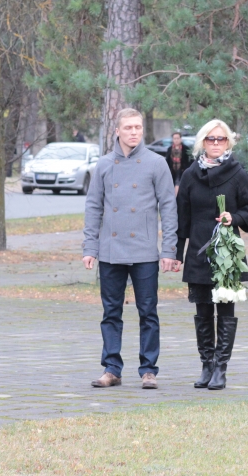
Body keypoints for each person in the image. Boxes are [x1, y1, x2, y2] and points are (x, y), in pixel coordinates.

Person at [82, 108, 178, 390]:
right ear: (117, 131)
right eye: (128, 128)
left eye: (137, 127)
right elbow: (93, 207)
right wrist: (90, 247)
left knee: (148, 311)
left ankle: (148, 370)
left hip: (145, 250)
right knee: (111, 311)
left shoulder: (156, 163)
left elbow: (169, 209)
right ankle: (111, 368)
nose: (134, 132)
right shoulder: (104, 165)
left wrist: (169, 250)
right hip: (111, 249)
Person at [175, 119, 248, 390]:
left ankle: (221, 368)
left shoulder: (237, 174)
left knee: (225, 308)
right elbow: (182, 217)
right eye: (210, 139)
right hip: (199, 250)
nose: (215, 143)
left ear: (228, 142)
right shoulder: (190, 175)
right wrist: (178, 253)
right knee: (202, 310)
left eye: (220, 139)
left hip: (226, 253)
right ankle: (206, 365)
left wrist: (232, 217)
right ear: (202, 142)